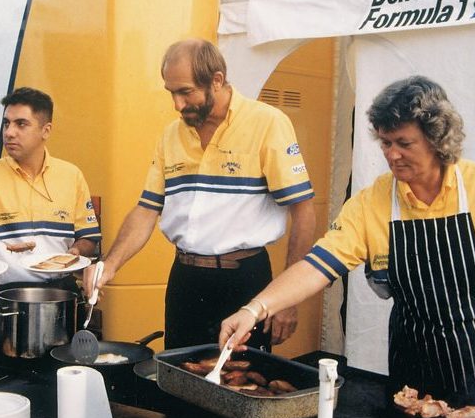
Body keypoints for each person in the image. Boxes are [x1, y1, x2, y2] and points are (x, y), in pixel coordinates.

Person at [221, 76, 475, 408]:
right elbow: (316, 266)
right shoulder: (373, 202)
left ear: (437, 137)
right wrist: (255, 309)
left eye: (403, 143)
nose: (392, 154)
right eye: (385, 143)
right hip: (415, 358)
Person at [87, 38, 316, 350]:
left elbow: (303, 211)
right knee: (180, 384)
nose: (178, 105)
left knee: (241, 387)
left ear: (217, 80)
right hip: (185, 281)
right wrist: (109, 265)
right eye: (171, 93)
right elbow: (146, 210)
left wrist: (290, 296)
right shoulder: (171, 135)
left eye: (186, 92)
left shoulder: (268, 123)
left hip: (245, 281)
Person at [0, 86, 101, 299]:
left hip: (63, 290)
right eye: (6, 123)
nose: (9, 132)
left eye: (21, 124)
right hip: (10, 295)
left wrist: (76, 252)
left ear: (45, 130)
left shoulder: (70, 175)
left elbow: (88, 236)